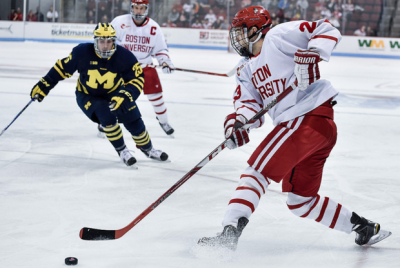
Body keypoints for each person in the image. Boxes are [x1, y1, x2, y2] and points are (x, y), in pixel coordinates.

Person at [198, 6, 391, 250]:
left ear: (257, 30)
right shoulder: (245, 69)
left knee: (256, 171)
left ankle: (229, 232)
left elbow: (325, 28)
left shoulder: (279, 36)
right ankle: (363, 227)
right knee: (301, 202)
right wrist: (238, 125)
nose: (237, 37)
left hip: (307, 116)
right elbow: (249, 106)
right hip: (315, 128)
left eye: (241, 31)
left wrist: (312, 53)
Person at [29, 23, 169, 166]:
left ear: (114, 42)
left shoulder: (125, 56)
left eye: (109, 41)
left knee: (133, 119)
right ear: (95, 41)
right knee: (106, 114)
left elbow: (137, 78)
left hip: (115, 93)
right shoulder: (82, 53)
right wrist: (45, 84)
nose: (105, 46)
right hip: (88, 95)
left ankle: (148, 148)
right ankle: (122, 150)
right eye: (102, 41)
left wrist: (126, 95)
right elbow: (61, 69)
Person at [111, 0, 175, 135]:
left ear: (146, 9)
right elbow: (109, 43)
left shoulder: (154, 27)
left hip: (145, 66)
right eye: (135, 8)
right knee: (114, 95)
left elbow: (161, 50)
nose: (138, 11)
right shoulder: (119, 22)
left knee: (156, 95)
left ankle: (163, 121)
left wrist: (164, 61)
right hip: (123, 67)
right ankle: (107, 121)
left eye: (141, 8)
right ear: (131, 8)